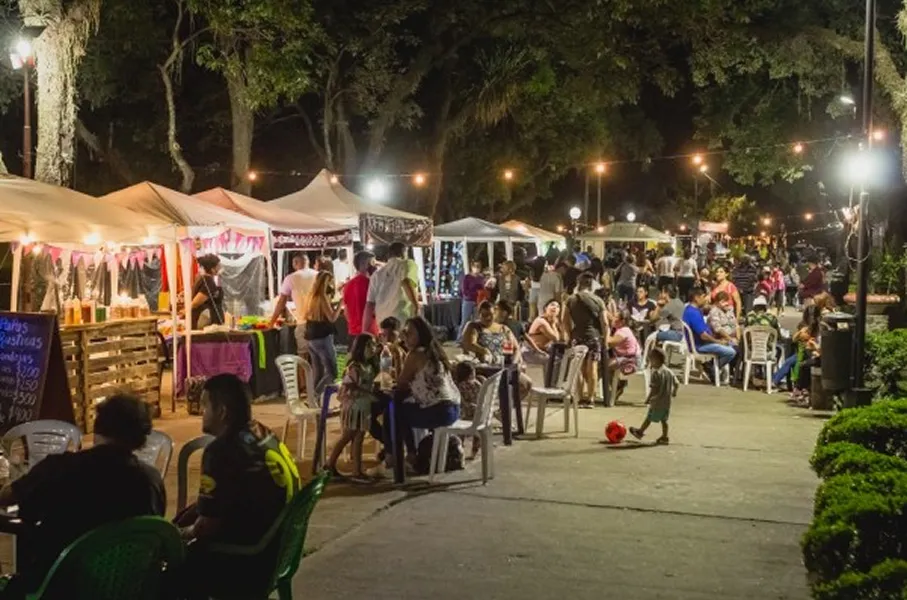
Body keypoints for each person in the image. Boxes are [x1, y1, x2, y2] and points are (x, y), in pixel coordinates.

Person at [0, 395, 164, 599]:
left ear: (98, 426)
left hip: (56, 587)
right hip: (128, 589)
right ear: (142, 437)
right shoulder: (151, 481)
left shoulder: (59, 469)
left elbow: (7, 497)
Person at [178, 374, 300, 599]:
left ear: (222, 411)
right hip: (278, 550)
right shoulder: (265, 434)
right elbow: (225, 498)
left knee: (169, 566)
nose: (202, 413)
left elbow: (205, 529)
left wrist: (177, 535)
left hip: (245, 561)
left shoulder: (220, 452)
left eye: (205, 406)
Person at [395, 317, 461, 467]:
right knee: (404, 406)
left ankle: (409, 454)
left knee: (396, 410)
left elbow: (401, 384)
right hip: (454, 409)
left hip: (438, 412)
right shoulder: (436, 351)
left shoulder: (415, 355)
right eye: (404, 332)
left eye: (409, 333)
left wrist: (400, 359)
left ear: (421, 335)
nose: (405, 336)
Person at [328, 333, 379, 479]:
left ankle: (357, 470)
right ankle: (329, 464)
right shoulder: (355, 367)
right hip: (354, 407)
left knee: (359, 438)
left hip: (363, 408)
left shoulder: (369, 366)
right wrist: (368, 393)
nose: (372, 348)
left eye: (373, 345)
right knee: (347, 435)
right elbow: (349, 386)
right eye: (369, 345)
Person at [564, 272, 609, 407]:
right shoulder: (598, 301)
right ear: (591, 285)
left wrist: (568, 335)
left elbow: (564, 320)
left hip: (577, 336)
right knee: (592, 367)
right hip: (593, 336)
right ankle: (591, 399)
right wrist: (605, 340)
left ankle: (579, 397)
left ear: (578, 284)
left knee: (578, 368)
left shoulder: (570, 300)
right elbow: (605, 323)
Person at [362, 242, 420, 334]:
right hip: (402, 318)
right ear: (404, 252)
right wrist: (417, 306)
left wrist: (364, 330)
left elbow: (369, 304)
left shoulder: (376, 274)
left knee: (388, 347)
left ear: (389, 255)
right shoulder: (408, 263)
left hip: (382, 321)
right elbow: (406, 282)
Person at [269, 253, 318, 355]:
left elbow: (281, 302)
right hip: (321, 322)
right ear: (308, 262)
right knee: (320, 358)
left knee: (303, 356)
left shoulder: (291, 278)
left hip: (304, 323)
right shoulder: (319, 275)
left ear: (295, 263)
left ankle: (303, 372)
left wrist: (271, 322)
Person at [683, 287, 737, 376]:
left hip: (703, 343)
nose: (706, 300)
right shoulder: (693, 313)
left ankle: (711, 367)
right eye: (704, 297)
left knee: (733, 346)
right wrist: (718, 342)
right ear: (696, 298)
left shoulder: (692, 310)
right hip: (699, 346)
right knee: (731, 352)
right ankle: (711, 369)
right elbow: (703, 335)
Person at [303, 271, 343, 391]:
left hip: (311, 337)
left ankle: (312, 400)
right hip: (322, 337)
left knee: (318, 371)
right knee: (332, 372)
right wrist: (341, 303)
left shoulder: (311, 296)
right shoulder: (322, 297)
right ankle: (315, 395)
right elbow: (332, 318)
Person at [629, 348, 678, 444]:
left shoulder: (656, 373)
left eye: (651, 359)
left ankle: (640, 432)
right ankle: (665, 436)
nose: (650, 362)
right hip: (667, 402)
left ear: (657, 360)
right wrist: (674, 392)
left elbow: (654, 389)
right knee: (664, 420)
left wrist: (648, 399)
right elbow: (677, 383)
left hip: (657, 401)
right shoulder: (669, 372)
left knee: (649, 417)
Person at [606, 310, 641, 401]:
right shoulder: (620, 330)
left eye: (616, 318)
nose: (613, 319)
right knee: (606, 364)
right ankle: (617, 385)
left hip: (631, 360)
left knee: (605, 366)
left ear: (622, 321)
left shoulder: (624, 331)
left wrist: (606, 329)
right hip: (625, 357)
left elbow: (610, 343)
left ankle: (616, 387)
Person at [342, 250, 377, 337]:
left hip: (353, 331)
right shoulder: (371, 284)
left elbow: (346, 312)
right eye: (372, 262)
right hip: (370, 331)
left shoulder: (348, 285)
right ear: (365, 264)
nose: (374, 266)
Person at [453, 362, 483, 458]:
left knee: (459, 431)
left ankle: (460, 448)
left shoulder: (458, 386)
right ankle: (474, 451)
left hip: (465, 415)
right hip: (479, 414)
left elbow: (460, 402)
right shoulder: (478, 384)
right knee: (477, 434)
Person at [190, 254, 225, 329]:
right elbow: (195, 303)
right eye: (218, 266)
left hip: (205, 322)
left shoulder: (203, 279)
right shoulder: (208, 281)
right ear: (212, 269)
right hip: (205, 324)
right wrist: (185, 311)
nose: (220, 268)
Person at [459, 261, 486, 341]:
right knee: (465, 320)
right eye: (475, 267)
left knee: (476, 321)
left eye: (479, 267)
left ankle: (474, 338)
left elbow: (483, 289)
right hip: (468, 301)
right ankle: (460, 339)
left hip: (478, 301)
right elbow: (464, 291)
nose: (477, 269)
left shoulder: (481, 278)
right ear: (472, 267)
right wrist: (476, 293)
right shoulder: (467, 277)